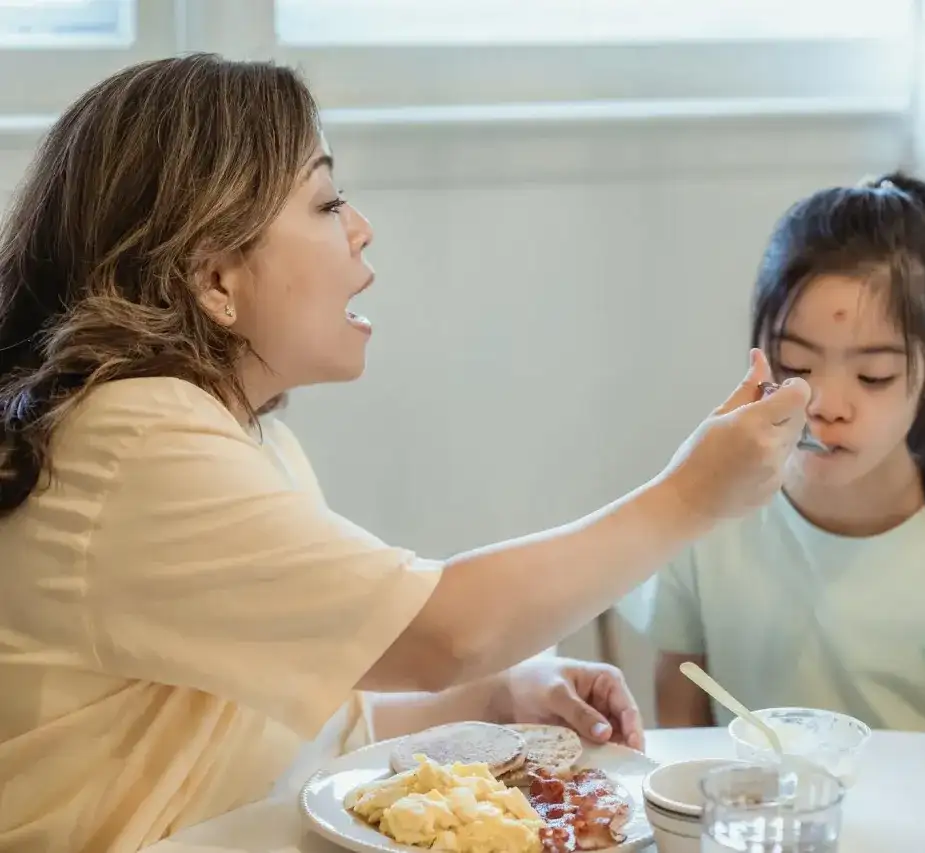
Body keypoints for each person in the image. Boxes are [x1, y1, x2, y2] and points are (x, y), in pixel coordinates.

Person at [0, 54, 812, 853]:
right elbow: (444, 631)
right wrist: (690, 496)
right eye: (326, 201)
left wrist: (500, 692)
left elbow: (300, 727)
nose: (361, 227)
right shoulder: (137, 441)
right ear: (215, 278)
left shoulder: (237, 436)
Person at [641, 173, 925, 747]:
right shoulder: (704, 529)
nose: (824, 405)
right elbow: (681, 743)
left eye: (874, 376)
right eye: (796, 365)